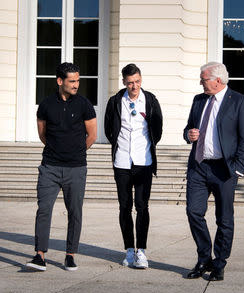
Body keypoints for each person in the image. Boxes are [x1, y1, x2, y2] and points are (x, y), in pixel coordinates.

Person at [183, 62, 244, 281]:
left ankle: (219, 263)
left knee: (224, 219)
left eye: (203, 79)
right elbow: (188, 128)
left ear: (217, 80)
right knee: (194, 212)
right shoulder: (198, 99)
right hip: (199, 166)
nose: (200, 83)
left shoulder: (238, 102)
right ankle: (204, 258)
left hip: (224, 169)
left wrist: (238, 169)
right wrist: (189, 135)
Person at [26, 62, 97, 272]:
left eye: (78, 80)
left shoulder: (84, 104)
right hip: (50, 167)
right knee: (44, 209)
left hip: (76, 168)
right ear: (60, 81)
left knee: (75, 212)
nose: (76, 85)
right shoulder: (46, 104)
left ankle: (70, 255)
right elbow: (42, 134)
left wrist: (75, 152)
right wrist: (57, 151)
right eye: (72, 81)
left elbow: (92, 135)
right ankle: (40, 255)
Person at [104, 63, 163, 269]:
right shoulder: (114, 102)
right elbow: (108, 129)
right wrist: (120, 146)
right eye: (130, 83)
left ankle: (142, 251)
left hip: (144, 161)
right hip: (121, 161)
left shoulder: (151, 100)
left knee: (142, 205)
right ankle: (129, 249)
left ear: (141, 80)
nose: (134, 86)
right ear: (124, 82)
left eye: (137, 81)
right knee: (124, 206)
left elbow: (158, 128)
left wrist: (146, 146)